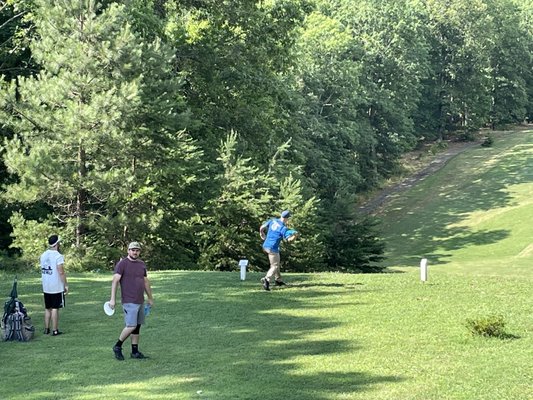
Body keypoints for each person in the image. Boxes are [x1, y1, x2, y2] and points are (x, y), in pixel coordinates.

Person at [109, 241, 154, 361]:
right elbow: (115, 281)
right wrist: (112, 299)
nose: (135, 252)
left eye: (137, 250)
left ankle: (135, 351)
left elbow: (145, 281)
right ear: (128, 251)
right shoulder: (122, 264)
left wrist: (150, 297)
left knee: (137, 326)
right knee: (131, 325)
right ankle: (117, 346)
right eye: (133, 250)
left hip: (140, 300)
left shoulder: (141, 264)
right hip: (129, 300)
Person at [259, 210, 298, 291]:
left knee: (277, 262)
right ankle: (267, 279)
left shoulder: (272, 220)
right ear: (288, 219)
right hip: (272, 248)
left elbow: (262, 227)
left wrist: (262, 233)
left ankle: (278, 280)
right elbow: (289, 241)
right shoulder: (283, 228)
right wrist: (295, 236)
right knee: (274, 266)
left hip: (265, 245)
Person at [40, 234, 68, 336]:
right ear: (56, 244)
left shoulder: (43, 255)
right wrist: (65, 285)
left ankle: (46, 329)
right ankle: (55, 330)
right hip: (56, 286)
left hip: (46, 285)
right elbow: (61, 272)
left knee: (48, 308)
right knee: (55, 308)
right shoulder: (58, 256)